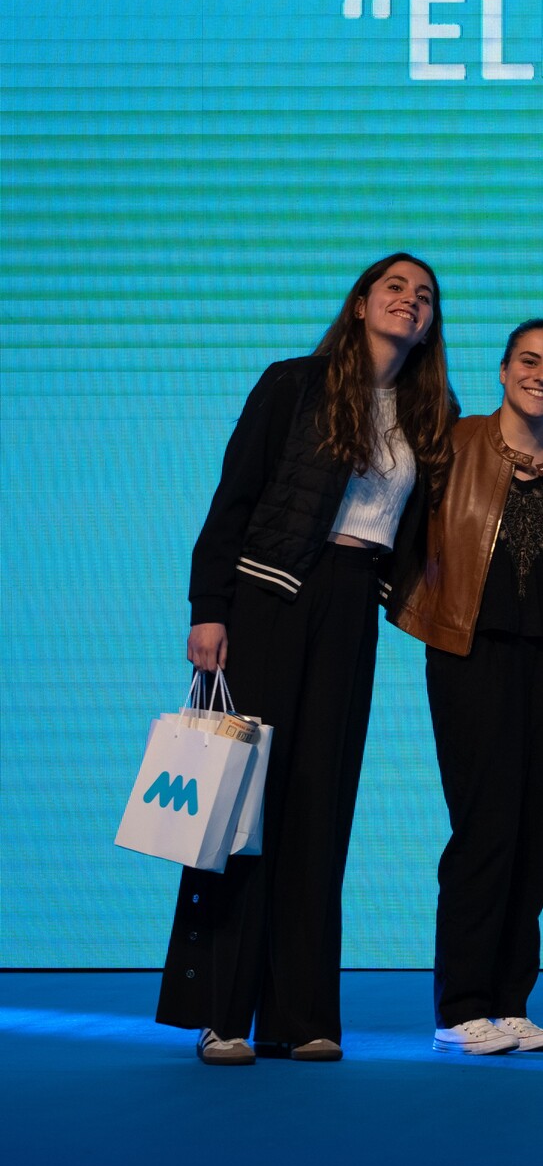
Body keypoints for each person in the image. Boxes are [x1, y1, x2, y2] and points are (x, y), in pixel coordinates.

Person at [163, 253, 456, 1065]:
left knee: (321, 809)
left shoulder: (429, 414)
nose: (409, 302)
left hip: (349, 608)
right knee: (243, 810)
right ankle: (223, 1014)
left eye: (424, 296)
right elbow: (234, 498)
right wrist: (209, 607)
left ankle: (302, 1016)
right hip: (269, 598)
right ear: (360, 303)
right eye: (394, 288)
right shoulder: (293, 384)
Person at [396, 320, 543, 1056]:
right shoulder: (452, 444)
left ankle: (512, 1001)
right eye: (530, 362)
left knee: (532, 832)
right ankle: (462, 1007)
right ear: (504, 370)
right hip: (469, 654)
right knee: (484, 827)